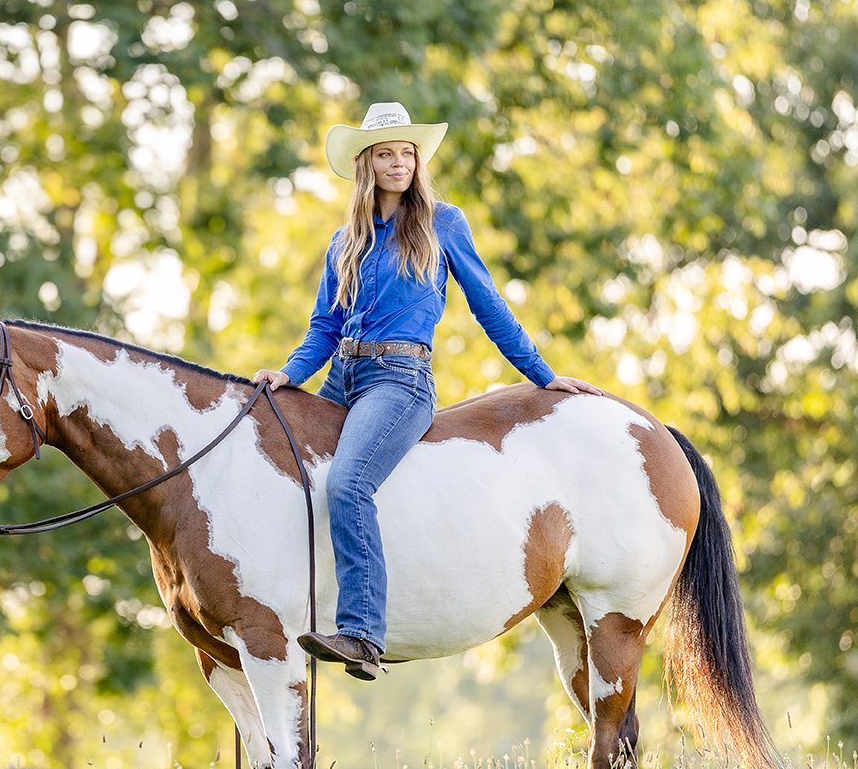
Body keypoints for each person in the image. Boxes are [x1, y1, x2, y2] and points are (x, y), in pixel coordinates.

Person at [251, 102, 604, 682]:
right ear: (367, 163)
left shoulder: (444, 224)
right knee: (282, 470)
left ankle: (362, 632)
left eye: (407, 153)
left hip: (400, 380)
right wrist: (289, 373)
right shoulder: (345, 241)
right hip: (342, 376)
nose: (399, 163)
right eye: (387, 154)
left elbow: (488, 305)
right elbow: (324, 329)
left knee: (349, 480)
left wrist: (543, 375)